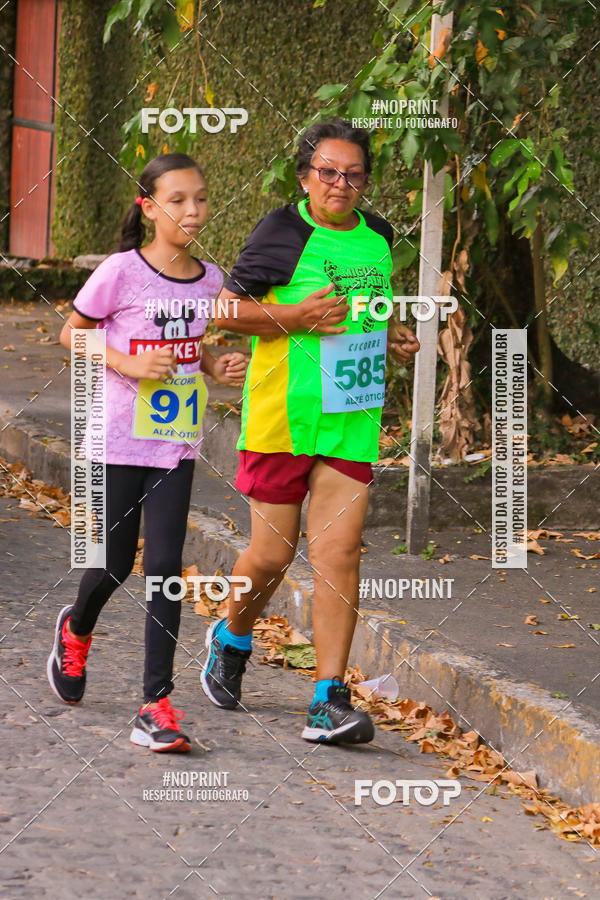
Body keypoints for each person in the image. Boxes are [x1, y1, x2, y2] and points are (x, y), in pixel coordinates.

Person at [201, 119, 419, 744]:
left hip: (351, 415)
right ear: (305, 175)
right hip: (282, 419)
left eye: (353, 174)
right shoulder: (283, 230)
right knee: (271, 555)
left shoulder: (378, 238)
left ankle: (328, 697)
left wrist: (393, 336)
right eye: (328, 171)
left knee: (339, 554)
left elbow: (369, 310)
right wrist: (289, 315)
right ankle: (232, 634)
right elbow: (225, 308)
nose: (340, 184)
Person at [47, 152, 247, 752]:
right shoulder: (121, 270)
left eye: (201, 198)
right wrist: (129, 362)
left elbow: (191, 348)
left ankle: (155, 705)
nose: (192, 210)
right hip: (116, 436)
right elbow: (71, 334)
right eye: (178, 199)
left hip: (175, 439)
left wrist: (215, 364)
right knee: (112, 563)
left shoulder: (210, 279)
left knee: (165, 570)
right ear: (150, 206)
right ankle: (75, 631)